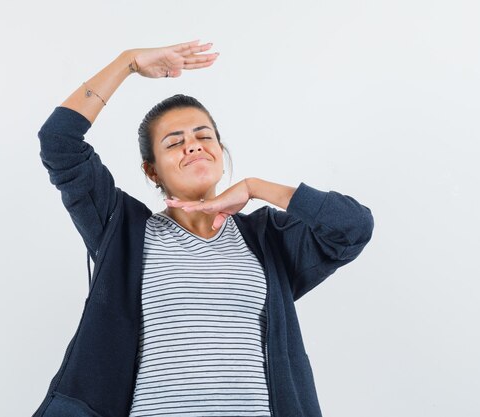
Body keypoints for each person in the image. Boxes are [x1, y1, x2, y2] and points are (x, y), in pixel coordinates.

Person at [32, 40, 374, 417]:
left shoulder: (266, 238)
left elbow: (353, 227)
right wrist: (127, 63)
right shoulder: (123, 230)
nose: (192, 146)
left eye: (203, 136)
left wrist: (256, 187)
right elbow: (59, 141)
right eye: (174, 142)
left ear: (220, 150)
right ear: (152, 170)